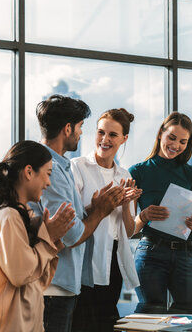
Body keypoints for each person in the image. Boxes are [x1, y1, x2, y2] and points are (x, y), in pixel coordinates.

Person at [36, 94, 126, 332]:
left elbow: (68, 220)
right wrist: (100, 211)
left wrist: (92, 208)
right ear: (67, 128)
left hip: (63, 286)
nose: (81, 133)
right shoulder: (53, 170)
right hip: (55, 287)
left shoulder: (60, 166)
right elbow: (72, 234)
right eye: (80, 127)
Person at [0, 140, 76, 332]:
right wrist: (48, 237)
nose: (49, 183)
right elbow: (21, 273)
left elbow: (38, 281)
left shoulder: (24, 215)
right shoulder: (8, 216)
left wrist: (53, 240)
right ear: (28, 172)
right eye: (48, 174)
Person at [129, 111, 192, 314]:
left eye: (183, 141)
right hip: (151, 253)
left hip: (184, 253)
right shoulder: (138, 172)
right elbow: (128, 229)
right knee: (152, 311)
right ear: (160, 134)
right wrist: (143, 216)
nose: (176, 146)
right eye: (171, 138)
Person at [71, 108, 142, 331]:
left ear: (124, 139)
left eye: (112, 135)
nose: (104, 139)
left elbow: (129, 231)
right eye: (100, 132)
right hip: (86, 253)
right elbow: (72, 216)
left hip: (114, 258)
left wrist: (124, 206)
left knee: (106, 321)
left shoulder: (125, 176)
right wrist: (100, 204)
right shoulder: (78, 166)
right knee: (83, 320)